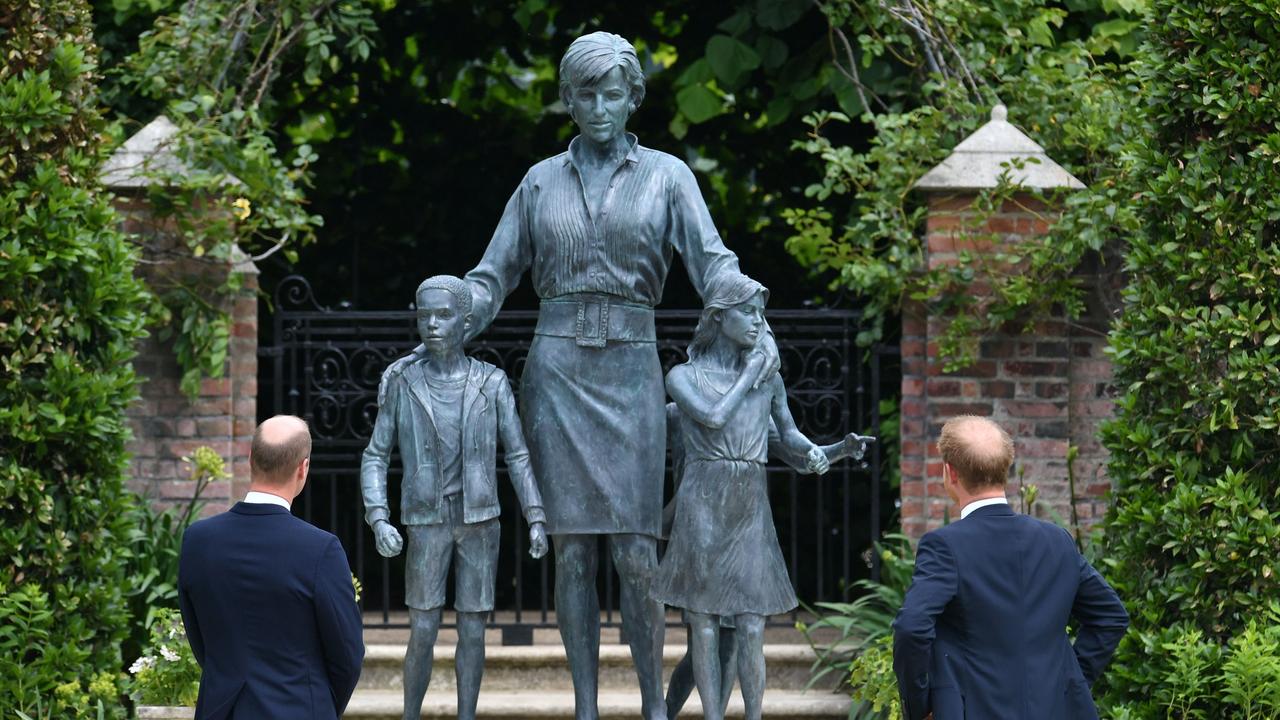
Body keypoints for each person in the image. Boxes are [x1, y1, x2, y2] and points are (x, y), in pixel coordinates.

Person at [379, 31, 778, 720]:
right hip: (557, 373)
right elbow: (492, 276)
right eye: (585, 93)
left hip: (632, 371)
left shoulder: (668, 176)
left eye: (612, 93)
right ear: (568, 99)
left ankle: (654, 703)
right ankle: (587, 706)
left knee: (635, 550)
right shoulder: (539, 181)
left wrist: (747, 300)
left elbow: (712, 262)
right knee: (569, 554)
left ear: (633, 99)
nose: (599, 106)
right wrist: (446, 322)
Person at [361, 275, 549, 720]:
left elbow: (518, 454)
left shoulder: (492, 383)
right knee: (423, 629)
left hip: (480, 521)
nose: (432, 325)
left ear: (465, 322)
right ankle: (411, 714)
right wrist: (378, 516)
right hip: (426, 521)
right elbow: (375, 455)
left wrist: (536, 516)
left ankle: (467, 715)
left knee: (473, 629)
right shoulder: (404, 384)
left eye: (443, 315)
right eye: (424, 314)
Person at [652, 273, 832, 720]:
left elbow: (791, 439)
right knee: (704, 623)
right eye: (747, 312)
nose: (757, 322)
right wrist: (752, 372)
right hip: (703, 500)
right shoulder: (682, 376)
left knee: (752, 623)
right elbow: (713, 417)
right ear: (718, 317)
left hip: (749, 502)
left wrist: (829, 451)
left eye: (760, 313)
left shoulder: (768, 383)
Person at [891, 416, 1129, 720]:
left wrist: (920, 707)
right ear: (1006, 468)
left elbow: (912, 627)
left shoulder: (945, 546)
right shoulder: (1056, 541)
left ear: (950, 472)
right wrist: (1068, 683)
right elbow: (1110, 616)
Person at [661, 402, 874, 719]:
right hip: (699, 532)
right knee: (698, 652)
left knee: (731, 641)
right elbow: (638, 454)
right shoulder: (679, 411)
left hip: (741, 534)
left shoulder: (752, 411)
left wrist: (841, 449)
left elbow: (799, 455)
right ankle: (663, 713)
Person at [178, 415, 365, 720]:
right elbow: (348, 655)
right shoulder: (320, 549)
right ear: (303, 468)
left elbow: (200, 640)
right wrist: (316, 704)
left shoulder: (197, 540)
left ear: (250, 458)